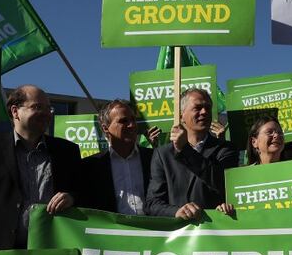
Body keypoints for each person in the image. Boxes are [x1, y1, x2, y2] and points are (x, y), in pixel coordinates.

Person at [0, 85, 81, 250]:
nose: (47, 113)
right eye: (37, 107)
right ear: (15, 111)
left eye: (49, 108)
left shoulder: (67, 151)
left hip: (54, 253)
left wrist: (72, 197)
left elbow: (85, 193)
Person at [146, 88, 238, 219]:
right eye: (198, 108)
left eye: (207, 107)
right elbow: (152, 203)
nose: (204, 112)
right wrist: (176, 212)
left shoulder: (226, 149)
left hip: (214, 232)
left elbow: (221, 182)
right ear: (181, 115)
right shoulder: (163, 154)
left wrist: (184, 149)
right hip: (180, 235)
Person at [79, 100, 153, 214]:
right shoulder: (91, 166)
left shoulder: (154, 158)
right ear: (105, 128)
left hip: (153, 230)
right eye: (123, 121)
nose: (132, 125)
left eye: (133, 119)